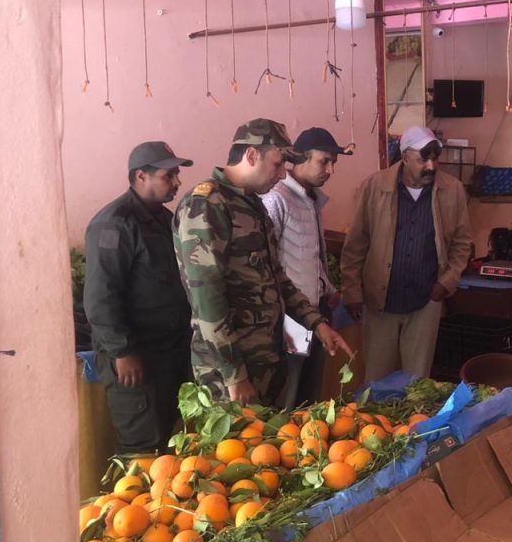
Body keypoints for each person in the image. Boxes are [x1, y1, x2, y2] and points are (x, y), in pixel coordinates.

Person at [173, 118, 351, 406]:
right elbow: (207, 299)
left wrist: (316, 323)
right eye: (278, 164)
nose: (282, 175)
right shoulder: (206, 205)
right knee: (237, 437)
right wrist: (234, 375)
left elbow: (276, 277)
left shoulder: (251, 203)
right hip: (230, 373)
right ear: (252, 155)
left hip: (265, 361)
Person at [83, 141, 194, 453]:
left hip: (168, 352)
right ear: (141, 176)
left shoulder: (162, 219)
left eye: (176, 174)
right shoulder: (114, 223)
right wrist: (123, 352)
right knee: (142, 447)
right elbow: (101, 296)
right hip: (136, 355)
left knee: (168, 443)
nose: (177, 182)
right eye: (168, 175)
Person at [340, 126, 472, 381]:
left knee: (417, 382)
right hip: (380, 301)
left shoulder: (452, 189)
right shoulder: (374, 187)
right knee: (377, 380)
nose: (431, 166)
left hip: (426, 301)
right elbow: (355, 244)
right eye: (423, 159)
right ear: (406, 157)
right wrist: (352, 291)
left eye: (435, 159)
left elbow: (462, 242)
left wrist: (446, 283)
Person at [261, 127, 351, 408]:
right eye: (324, 161)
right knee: (288, 399)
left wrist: (328, 287)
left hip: (317, 312)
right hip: (290, 317)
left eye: (333, 162)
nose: (330, 170)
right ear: (300, 158)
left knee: (310, 399)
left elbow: (310, 255)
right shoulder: (276, 198)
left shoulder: (311, 198)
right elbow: (267, 262)